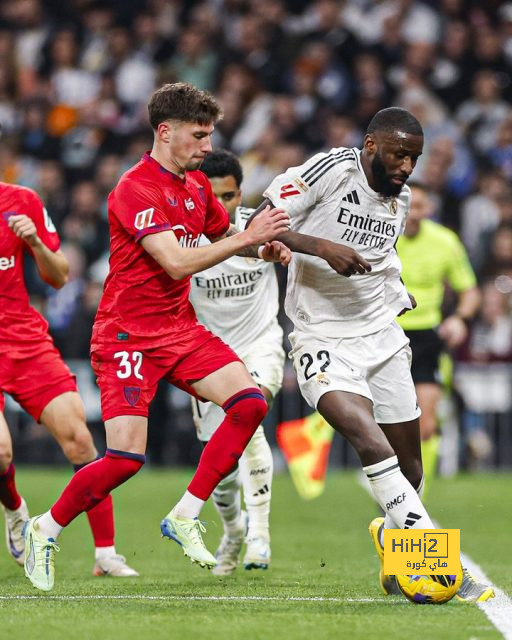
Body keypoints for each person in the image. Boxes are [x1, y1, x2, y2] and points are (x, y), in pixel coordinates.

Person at [22, 82, 292, 592]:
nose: (208, 146)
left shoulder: (194, 188)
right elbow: (175, 260)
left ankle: (186, 513)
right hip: (126, 336)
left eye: (211, 135)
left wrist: (261, 252)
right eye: (199, 135)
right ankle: (45, 528)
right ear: (164, 132)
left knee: (250, 403)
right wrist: (250, 236)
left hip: (179, 329)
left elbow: (219, 240)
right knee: (125, 459)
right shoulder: (135, 188)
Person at [252, 107, 494, 602]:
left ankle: (391, 542)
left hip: (381, 336)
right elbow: (261, 224)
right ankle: (439, 565)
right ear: (370, 146)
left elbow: (381, 258)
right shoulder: (330, 170)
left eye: (415, 158)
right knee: (369, 440)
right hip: (321, 336)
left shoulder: (399, 199)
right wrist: (319, 246)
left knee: (412, 469)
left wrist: (396, 290)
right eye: (399, 154)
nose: (407, 167)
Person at [0, 181, 137, 578]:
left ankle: (106, 554)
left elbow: (59, 276)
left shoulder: (21, 201)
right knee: (2, 453)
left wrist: (37, 244)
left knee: (80, 438)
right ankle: (14, 510)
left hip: (25, 341)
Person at [189, 149, 284, 575]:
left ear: (239, 193)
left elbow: (285, 246)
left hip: (260, 343)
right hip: (207, 355)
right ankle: (234, 528)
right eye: (211, 197)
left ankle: (260, 534)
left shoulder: (258, 225)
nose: (220, 207)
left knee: (251, 412)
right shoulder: (180, 237)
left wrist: (281, 250)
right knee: (221, 470)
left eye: (227, 197)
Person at [396, 182, 480, 493]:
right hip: (385, 334)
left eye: (420, 206)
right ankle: (392, 491)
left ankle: (415, 498)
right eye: (409, 206)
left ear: (429, 208)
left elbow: (469, 290)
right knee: (386, 424)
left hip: (427, 337)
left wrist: (460, 318)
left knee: (426, 426)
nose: (414, 213)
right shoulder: (381, 238)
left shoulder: (445, 242)